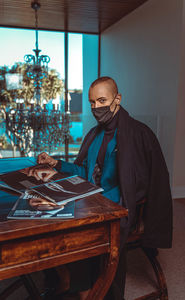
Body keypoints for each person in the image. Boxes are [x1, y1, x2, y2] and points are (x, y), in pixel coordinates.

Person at [33, 76, 173, 300]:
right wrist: (56, 164)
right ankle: (71, 282)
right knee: (49, 218)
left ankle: (88, 291)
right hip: (91, 201)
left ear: (117, 99)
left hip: (116, 209)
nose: (96, 107)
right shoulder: (94, 134)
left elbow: (138, 188)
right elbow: (85, 172)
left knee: (76, 229)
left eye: (101, 100)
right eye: (91, 102)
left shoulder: (137, 135)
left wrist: (95, 201)